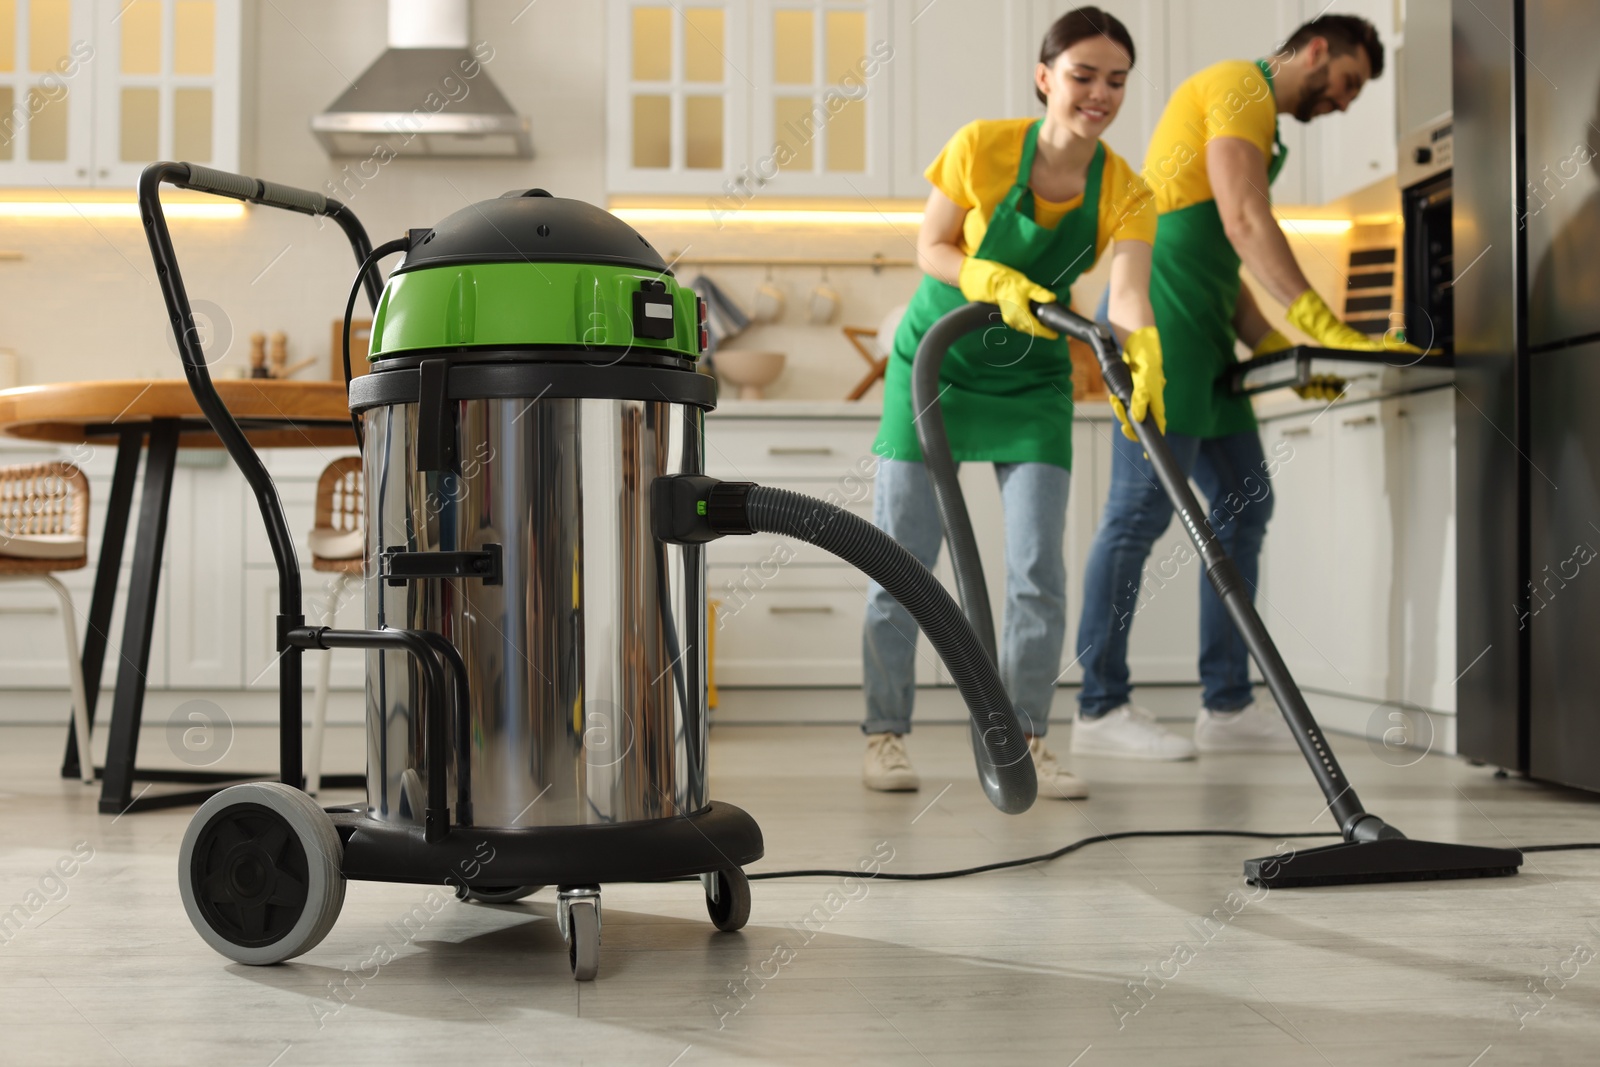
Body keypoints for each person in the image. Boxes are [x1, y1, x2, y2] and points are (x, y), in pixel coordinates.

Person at [1071, 14, 1411, 760]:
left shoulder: (1264, 125)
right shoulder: (1235, 88)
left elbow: (1222, 269)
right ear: (1317, 50)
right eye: (1349, 82)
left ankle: (1225, 703)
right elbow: (1245, 220)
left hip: (1208, 335)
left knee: (1244, 503)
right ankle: (1099, 707)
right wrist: (1324, 324)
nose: (1346, 103)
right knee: (1134, 518)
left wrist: (1288, 351)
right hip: (1157, 332)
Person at [862, 7, 1164, 800]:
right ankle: (886, 734)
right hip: (936, 364)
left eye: (1116, 81)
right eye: (1082, 76)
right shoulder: (982, 146)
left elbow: (1127, 293)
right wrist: (985, 276)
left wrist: (1142, 347)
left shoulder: (1128, 190)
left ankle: (1026, 736)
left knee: (1037, 570)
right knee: (902, 563)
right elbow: (929, 244)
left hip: (1033, 380)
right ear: (1045, 77)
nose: (1099, 94)